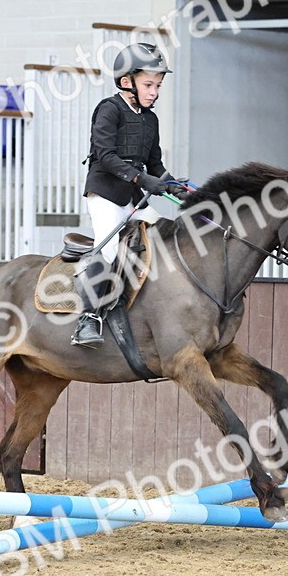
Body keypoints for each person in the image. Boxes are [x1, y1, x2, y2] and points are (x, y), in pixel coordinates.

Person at [72, 42, 185, 348]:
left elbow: (156, 164)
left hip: (134, 198)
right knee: (107, 251)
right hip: (106, 193)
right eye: (148, 84)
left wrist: (172, 184)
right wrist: (145, 180)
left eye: (158, 85)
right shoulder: (109, 110)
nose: (154, 91)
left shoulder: (151, 119)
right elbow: (106, 156)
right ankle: (89, 319)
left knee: (165, 237)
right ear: (126, 81)